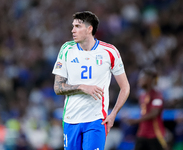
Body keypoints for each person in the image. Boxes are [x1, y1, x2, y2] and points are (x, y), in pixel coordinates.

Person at [52, 11, 130, 150]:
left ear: (89, 29)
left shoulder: (109, 52)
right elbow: (58, 88)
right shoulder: (66, 49)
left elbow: (125, 87)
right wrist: (82, 87)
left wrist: (113, 114)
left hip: (96, 121)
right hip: (71, 119)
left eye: (77, 26)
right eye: (73, 26)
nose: (73, 30)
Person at [127, 67, 168, 150]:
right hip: (142, 134)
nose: (139, 80)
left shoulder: (157, 95)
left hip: (155, 134)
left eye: (142, 78)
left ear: (149, 79)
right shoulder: (142, 95)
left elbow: (154, 113)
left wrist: (136, 121)